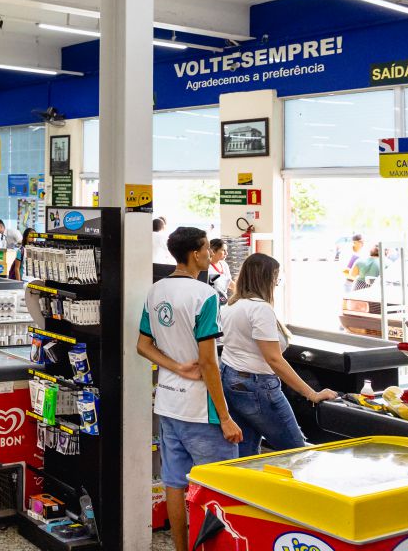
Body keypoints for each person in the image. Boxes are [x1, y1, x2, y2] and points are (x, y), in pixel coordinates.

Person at [137, 226, 242, 551]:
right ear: (196, 254)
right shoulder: (205, 296)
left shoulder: (156, 290)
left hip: (168, 404)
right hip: (202, 411)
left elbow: (143, 345)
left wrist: (176, 367)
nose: (210, 255)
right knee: (221, 488)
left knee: (174, 484)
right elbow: (209, 363)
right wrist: (225, 417)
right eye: (207, 250)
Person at [219, 253, 337, 457]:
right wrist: (312, 394)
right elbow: (273, 359)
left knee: (246, 456)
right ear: (265, 279)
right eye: (275, 278)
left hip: (232, 381)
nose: (276, 284)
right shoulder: (260, 309)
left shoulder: (231, 305)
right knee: (296, 453)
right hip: (258, 386)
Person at [208, 238, 231, 304]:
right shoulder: (206, 267)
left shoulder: (224, 264)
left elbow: (229, 283)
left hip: (223, 301)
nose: (226, 253)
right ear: (213, 251)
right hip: (211, 302)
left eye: (226, 250)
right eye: (223, 250)